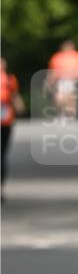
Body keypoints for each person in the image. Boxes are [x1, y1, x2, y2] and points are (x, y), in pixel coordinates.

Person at [1, 58, 24, 200]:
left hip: (5, 123)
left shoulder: (10, 80)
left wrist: (19, 106)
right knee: (2, 156)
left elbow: (15, 98)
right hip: (6, 123)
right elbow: (16, 100)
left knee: (2, 156)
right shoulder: (9, 79)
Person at [45, 40, 78, 120]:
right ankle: (62, 113)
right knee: (60, 98)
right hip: (60, 79)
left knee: (70, 97)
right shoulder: (57, 57)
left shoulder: (77, 56)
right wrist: (49, 80)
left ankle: (70, 115)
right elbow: (52, 70)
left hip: (72, 79)